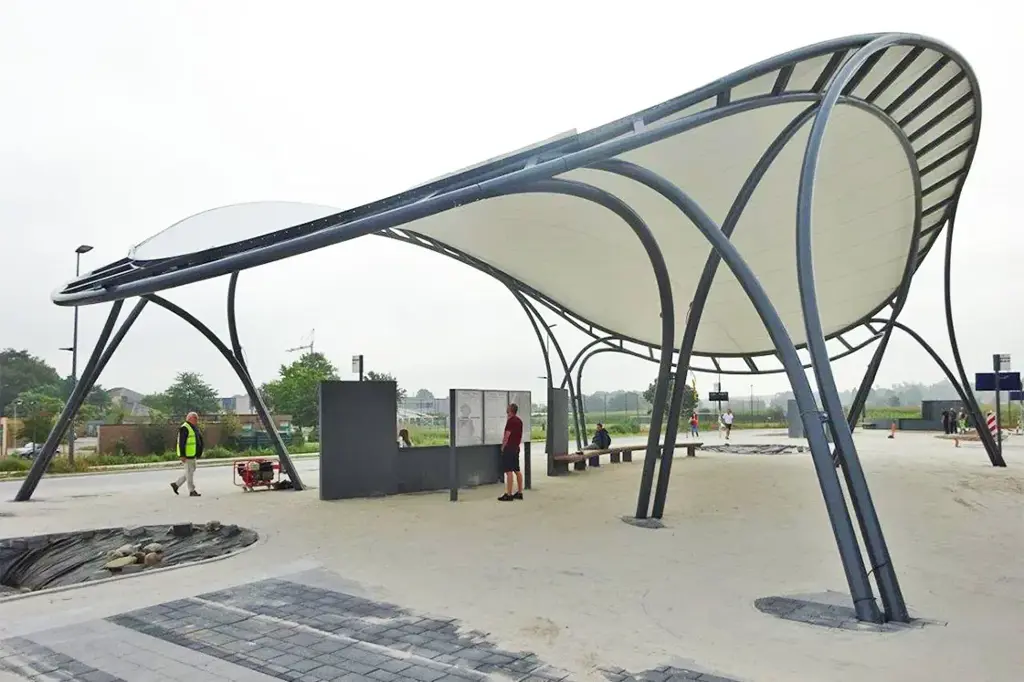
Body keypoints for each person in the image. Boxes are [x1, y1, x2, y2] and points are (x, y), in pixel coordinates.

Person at [170, 412, 203, 497]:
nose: (197, 420)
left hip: (192, 454)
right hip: (187, 455)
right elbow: (182, 442)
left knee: (190, 471)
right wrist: (182, 455)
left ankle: (176, 484)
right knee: (189, 473)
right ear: (190, 418)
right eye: (196, 418)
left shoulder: (193, 427)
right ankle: (192, 490)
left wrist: (199, 451)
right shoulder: (184, 428)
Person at [498, 403, 524, 502]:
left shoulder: (510, 421)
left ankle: (509, 494)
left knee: (508, 471)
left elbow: (507, 435)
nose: (506, 409)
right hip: (516, 448)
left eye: (508, 408)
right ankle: (520, 492)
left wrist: (503, 446)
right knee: (517, 470)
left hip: (509, 448)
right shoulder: (519, 421)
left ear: (510, 410)